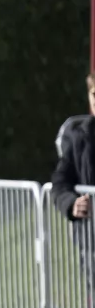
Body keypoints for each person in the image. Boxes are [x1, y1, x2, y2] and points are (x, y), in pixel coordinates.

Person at [50, 71, 95, 221]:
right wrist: (71, 203)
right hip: (90, 233)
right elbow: (60, 182)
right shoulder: (79, 138)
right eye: (94, 94)